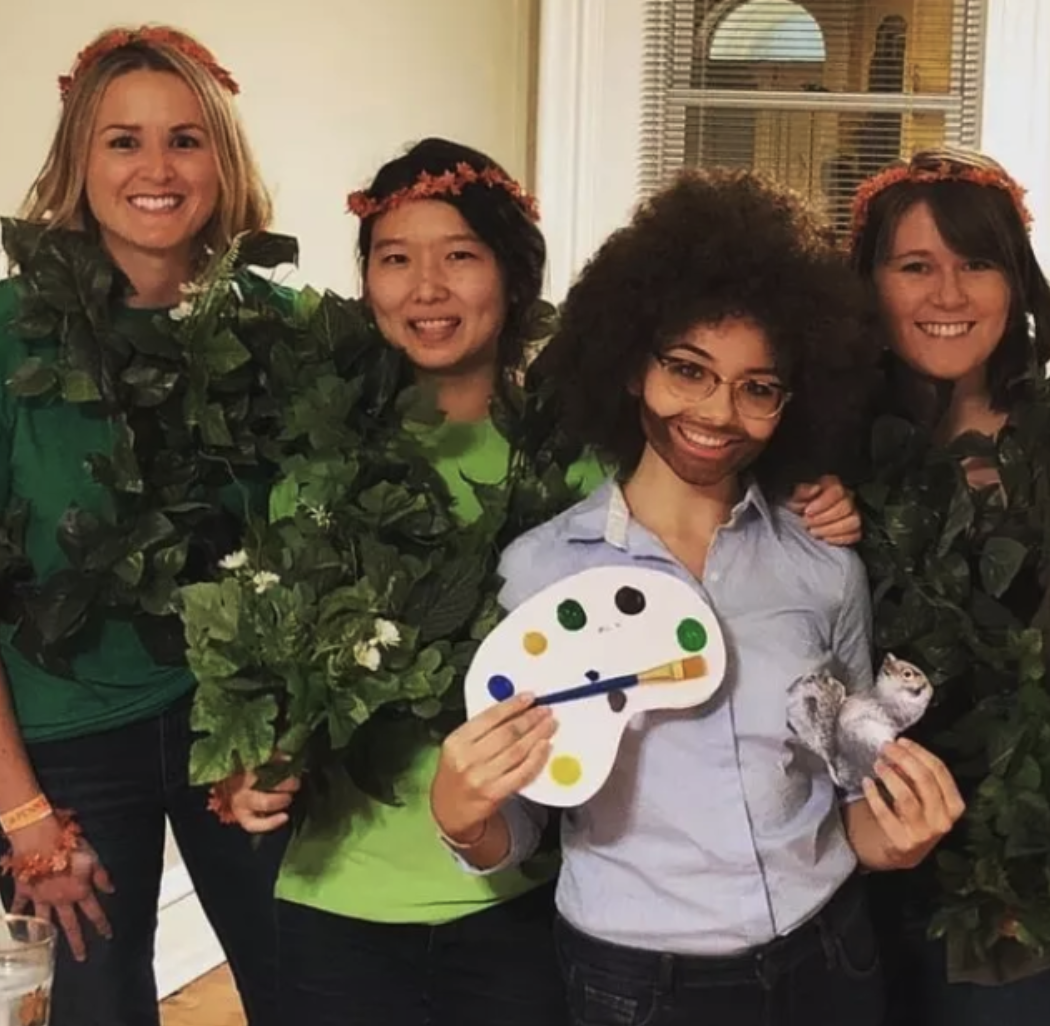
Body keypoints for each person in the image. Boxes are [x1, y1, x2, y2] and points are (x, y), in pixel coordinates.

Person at [223, 140, 863, 1026]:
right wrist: (254, 762)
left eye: (460, 255)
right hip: (344, 890)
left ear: (514, 276)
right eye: (395, 258)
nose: (427, 287)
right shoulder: (315, 472)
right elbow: (271, 688)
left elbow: (706, 464)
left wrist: (808, 495)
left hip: (524, 902)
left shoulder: (578, 467)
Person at [429, 168, 965, 1026]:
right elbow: (523, 826)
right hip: (636, 986)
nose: (718, 412)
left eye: (758, 386)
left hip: (828, 957)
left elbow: (853, 794)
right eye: (688, 370)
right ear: (630, 363)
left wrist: (900, 840)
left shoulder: (822, 565)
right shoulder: (541, 573)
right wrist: (462, 818)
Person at [0, 26, 286, 1026]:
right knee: (99, 1002)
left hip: (232, 729)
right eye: (124, 141)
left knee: (308, 982)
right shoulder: (8, 337)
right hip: (63, 736)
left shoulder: (274, 330)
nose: (157, 169)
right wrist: (23, 813)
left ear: (225, 158)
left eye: (187, 139)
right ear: (80, 160)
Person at [849, 147, 1050, 1025]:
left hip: (1008, 888)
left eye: (976, 264)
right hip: (839, 867)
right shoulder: (816, 445)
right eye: (916, 267)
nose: (949, 296)